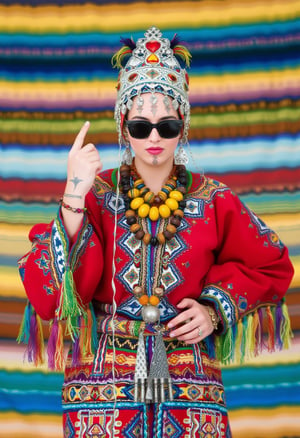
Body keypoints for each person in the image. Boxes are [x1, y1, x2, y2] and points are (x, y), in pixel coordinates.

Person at [18, 27, 294, 437]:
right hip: (103, 382)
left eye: (165, 126)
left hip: (190, 383)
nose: (152, 138)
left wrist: (215, 309)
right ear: (122, 125)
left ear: (182, 126)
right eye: (140, 126)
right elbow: (53, 293)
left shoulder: (214, 199)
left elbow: (271, 264)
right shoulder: (96, 194)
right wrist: (74, 189)